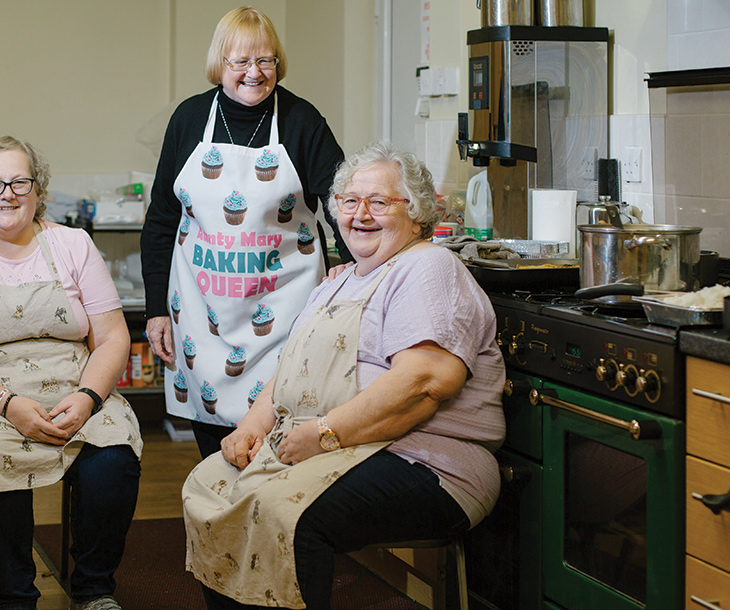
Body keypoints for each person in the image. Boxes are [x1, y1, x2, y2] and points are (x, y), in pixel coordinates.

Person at [182, 141, 507, 610]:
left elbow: (424, 383)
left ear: (416, 214)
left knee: (285, 514)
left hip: (428, 463)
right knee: (210, 484)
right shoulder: (340, 280)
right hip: (342, 446)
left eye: (380, 202)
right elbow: (291, 367)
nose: (361, 215)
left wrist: (324, 434)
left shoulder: (428, 267)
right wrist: (251, 428)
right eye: (350, 202)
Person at [0, 134, 143, 610]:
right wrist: (8, 405)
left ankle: (94, 590)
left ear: (38, 191)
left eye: (20, 181)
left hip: (72, 385)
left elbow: (113, 336)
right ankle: (15, 598)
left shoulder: (73, 243)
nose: (7, 193)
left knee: (114, 453)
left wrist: (87, 399)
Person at [140, 6, 350, 458]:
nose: (254, 73)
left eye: (266, 60)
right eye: (240, 62)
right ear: (221, 64)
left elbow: (341, 201)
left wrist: (351, 268)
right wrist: (156, 308)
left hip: (284, 311)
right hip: (203, 316)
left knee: (278, 449)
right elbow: (161, 219)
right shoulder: (189, 119)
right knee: (216, 454)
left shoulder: (301, 120)